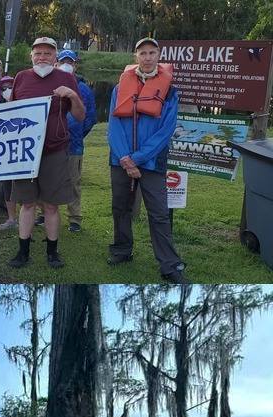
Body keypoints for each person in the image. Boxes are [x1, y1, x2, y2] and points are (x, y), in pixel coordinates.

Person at [107, 37, 187, 283]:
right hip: (120, 160)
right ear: (136, 56)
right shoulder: (119, 88)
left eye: (153, 52)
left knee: (159, 213)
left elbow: (166, 130)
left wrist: (138, 158)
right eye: (143, 53)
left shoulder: (171, 91)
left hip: (152, 162)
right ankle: (122, 250)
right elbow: (114, 126)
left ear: (159, 56)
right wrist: (124, 158)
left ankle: (169, 265)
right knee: (120, 207)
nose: (148, 57)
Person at [5, 36, 85, 269]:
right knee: (27, 204)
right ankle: (23, 251)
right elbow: (11, 113)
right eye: (38, 53)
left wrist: (71, 95)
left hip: (54, 150)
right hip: (26, 153)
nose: (42, 57)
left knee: (51, 206)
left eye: (47, 53)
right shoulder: (21, 77)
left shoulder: (66, 78)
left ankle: (52, 252)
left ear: (55, 56)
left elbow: (80, 115)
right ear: (31, 56)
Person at [58, 50, 97, 233]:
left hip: (74, 145)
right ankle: (45, 213)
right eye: (63, 61)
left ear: (75, 65)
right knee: (48, 180)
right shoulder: (51, 84)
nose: (66, 64)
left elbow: (90, 118)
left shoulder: (83, 89)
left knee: (73, 182)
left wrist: (79, 134)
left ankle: (74, 218)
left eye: (70, 62)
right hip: (51, 144)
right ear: (56, 64)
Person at [0, 74, 20, 230]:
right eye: (4, 88)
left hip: (22, 153)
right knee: (7, 185)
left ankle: (31, 217)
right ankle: (11, 218)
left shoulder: (26, 104)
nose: (7, 90)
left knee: (27, 186)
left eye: (10, 87)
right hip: (5, 153)